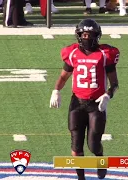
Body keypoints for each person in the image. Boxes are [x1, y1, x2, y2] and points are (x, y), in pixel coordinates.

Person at [49, 18, 120, 180]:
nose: (87, 38)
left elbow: (115, 83)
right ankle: (81, 177)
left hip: (97, 103)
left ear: (97, 36)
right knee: (76, 144)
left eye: (90, 34)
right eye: (84, 34)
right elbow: (63, 76)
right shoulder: (72, 52)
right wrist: (56, 90)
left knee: (94, 144)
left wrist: (108, 95)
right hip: (78, 102)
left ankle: (101, 159)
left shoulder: (105, 54)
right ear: (79, 35)